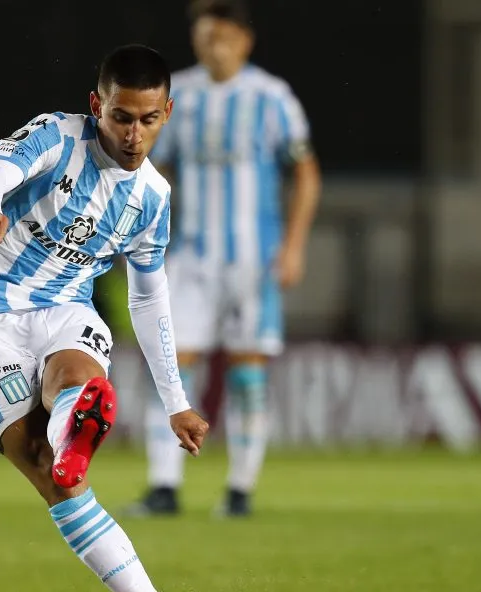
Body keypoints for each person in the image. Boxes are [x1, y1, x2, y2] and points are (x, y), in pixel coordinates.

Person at [0, 44, 209, 592]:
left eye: (148, 120)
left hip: (67, 309)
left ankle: (75, 430)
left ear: (167, 112)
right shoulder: (59, 137)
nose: (133, 135)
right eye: (121, 117)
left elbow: (149, 298)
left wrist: (176, 401)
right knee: (41, 460)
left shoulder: (153, 197)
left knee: (77, 378)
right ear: (97, 106)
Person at [125, 0, 322, 518]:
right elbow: (155, 167)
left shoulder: (272, 97)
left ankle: (239, 490)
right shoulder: (180, 96)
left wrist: (294, 246)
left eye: (225, 38)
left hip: (253, 260)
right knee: (172, 365)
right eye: (206, 37)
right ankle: (164, 485)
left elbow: (306, 174)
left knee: (247, 371)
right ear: (196, 40)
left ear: (245, 41)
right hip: (190, 256)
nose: (216, 47)